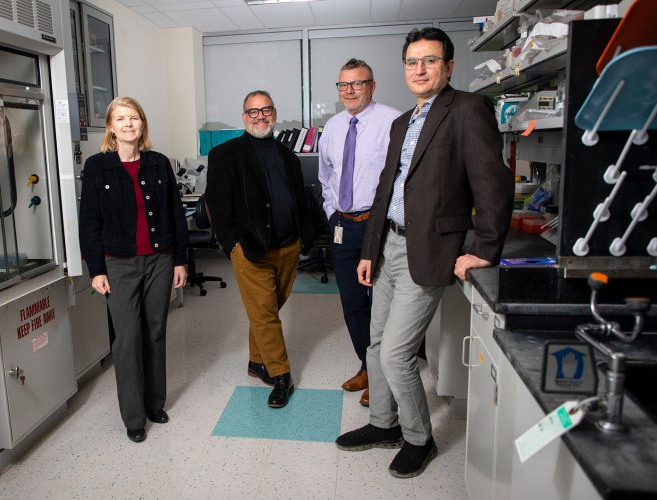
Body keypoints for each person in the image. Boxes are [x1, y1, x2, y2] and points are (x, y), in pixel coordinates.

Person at [336, 27, 513, 478]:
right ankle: (383, 423)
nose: (420, 69)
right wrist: (369, 250)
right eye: (412, 62)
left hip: (429, 251)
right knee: (376, 346)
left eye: (430, 60)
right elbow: (387, 191)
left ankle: (419, 438)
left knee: (397, 353)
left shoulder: (469, 109)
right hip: (387, 246)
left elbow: (492, 183)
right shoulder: (403, 122)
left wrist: (486, 249)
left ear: (448, 67)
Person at [78, 96, 188, 443]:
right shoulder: (98, 167)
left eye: (135, 118)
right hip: (119, 264)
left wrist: (181, 259)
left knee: (155, 331)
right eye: (121, 119)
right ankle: (133, 417)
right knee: (127, 338)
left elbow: (175, 216)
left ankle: (155, 403)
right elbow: (90, 223)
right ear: (111, 127)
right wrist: (96, 269)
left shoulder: (158, 163)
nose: (129, 124)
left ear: (142, 125)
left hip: (160, 259)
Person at [205, 90, 313, 409]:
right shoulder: (225, 154)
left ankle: (256, 362)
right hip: (251, 249)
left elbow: (297, 197)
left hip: (288, 246)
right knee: (265, 313)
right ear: (244, 117)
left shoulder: (288, 156)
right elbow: (216, 203)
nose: (260, 117)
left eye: (265, 110)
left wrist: (303, 235)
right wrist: (232, 244)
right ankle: (281, 375)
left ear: (274, 113)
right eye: (253, 112)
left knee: (266, 309)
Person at [318, 58, 401, 407]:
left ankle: (383, 376)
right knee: (352, 302)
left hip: (377, 225)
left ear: (372, 85)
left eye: (357, 83)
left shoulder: (393, 121)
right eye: (343, 85)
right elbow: (326, 178)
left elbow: (400, 179)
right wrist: (332, 212)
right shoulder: (333, 127)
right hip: (343, 226)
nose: (349, 91)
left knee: (381, 304)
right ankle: (366, 367)